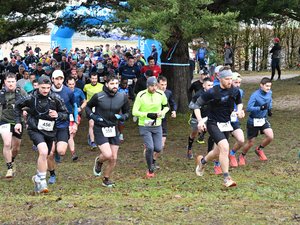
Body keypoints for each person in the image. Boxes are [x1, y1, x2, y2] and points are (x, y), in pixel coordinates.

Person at [190, 66, 244, 187]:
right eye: (227, 79)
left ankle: (202, 161)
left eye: (231, 79)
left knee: (216, 152)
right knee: (225, 147)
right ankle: (227, 178)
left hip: (226, 123)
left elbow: (239, 102)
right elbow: (196, 105)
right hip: (213, 123)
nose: (230, 81)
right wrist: (200, 121)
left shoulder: (235, 90)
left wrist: (240, 110)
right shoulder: (212, 92)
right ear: (220, 79)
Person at [14, 75, 68, 193]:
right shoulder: (30, 97)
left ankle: (38, 178)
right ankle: (43, 181)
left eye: (48, 88)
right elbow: (17, 107)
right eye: (43, 87)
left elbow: (65, 113)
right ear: (37, 86)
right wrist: (18, 122)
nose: (45, 90)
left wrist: (58, 115)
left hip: (49, 130)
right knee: (43, 151)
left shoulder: (55, 98)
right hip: (34, 128)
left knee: (46, 155)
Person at [86, 75, 130, 187]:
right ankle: (99, 161)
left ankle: (106, 179)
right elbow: (88, 107)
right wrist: (94, 117)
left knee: (114, 157)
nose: (115, 86)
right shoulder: (98, 96)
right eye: (112, 83)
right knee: (107, 154)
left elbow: (127, 112)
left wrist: (123, 117)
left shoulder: (122, 96)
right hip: (100, 128)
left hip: (113, 128)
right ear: (106, 84)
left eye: (116, 84)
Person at [132, 77, 169, 178]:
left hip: (157, 125)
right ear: (147, 86)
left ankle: (149, 152)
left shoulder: (161, 94)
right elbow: (134, 111)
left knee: (158, 148)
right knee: (150, 147)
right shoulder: (141, 95)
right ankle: (150, 168)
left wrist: (162, 112)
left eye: (155, 86)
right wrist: (147, 114)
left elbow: (166, 106)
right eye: (151, 86)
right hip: (144, 125)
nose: (154, 88)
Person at [47, 70, 78, 184]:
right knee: (49, 153)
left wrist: (75, 122)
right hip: (49, 126)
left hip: (63, 124)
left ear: (63, 79)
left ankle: (56, 152)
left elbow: (75, 106)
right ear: (52, 79)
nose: (58, 81)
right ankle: (52, 174)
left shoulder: (68, 92)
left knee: (61, 152)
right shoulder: (47, 90)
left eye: (61, 79)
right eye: (56, 79)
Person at [238, 77, 273, 166]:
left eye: (270, 86)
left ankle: (259, 149)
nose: (268, 88)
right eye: (266, 86)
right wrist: (260, 108)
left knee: (270, 136)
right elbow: (249, 108)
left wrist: (269, 109)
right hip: (253, 120)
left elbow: (269, 101)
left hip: (263, 119)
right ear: (261, 85)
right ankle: (242, 156)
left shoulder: (269, 93)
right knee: (250, 142)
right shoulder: (255, 95)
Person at [0, 73, 27, 178]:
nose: (11, 84)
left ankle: (12, 160)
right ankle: (9, 168)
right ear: (5, 82)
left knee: (16, 148)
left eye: (12, 81)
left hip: (17, 121)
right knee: (7, 144)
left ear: (16, 82)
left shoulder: (21, 92)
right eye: (9, 81)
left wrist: (25, 110)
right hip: (4, 120)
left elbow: (29, 104)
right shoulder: (1, 93)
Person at [186, 77, 213, 160]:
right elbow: (191, 105)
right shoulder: (198, 94)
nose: (211, 87)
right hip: (196, 117)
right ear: (203, 85)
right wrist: (199, 106)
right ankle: (189, 148)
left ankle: (210, 153)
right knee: (194, 133)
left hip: (208, 116)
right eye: (208, 85)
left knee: (212, 133)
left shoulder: (213, 93)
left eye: (212, 85)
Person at [66, 76, 87, 161]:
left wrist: (81, 108)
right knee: (70, 134)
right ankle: (73, 153)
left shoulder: (79, 91)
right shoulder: (64, 92)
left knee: (72, 133)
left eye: (73, 84)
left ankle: (64, 143)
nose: (71, 86)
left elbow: (85, 101)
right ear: (67, 84)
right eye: (70, 84)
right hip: (65, 115)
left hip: (76, 114)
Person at [228, 72, 245, 168]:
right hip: (221, 120)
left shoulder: (240, 92)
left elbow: (239, 104)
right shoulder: (222, 91)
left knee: (241, 140)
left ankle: (232, 153)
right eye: (236, 82)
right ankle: (216, 162)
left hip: (233, 120)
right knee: (220, 143)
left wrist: (240, 111)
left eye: (239, 83)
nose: (238, 85)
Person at [83, 72, 103, 149]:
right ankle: (92, 141)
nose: (94, 80)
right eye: (93, 78)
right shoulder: (86, 86)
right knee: (91, 123)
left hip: (99, 107)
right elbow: (84, 95)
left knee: (99, 123)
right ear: (90, 78)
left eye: (95, 78)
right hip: (90, 107)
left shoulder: (102, 86)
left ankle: (97, 137)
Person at [157, 76, 177, 150]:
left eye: (165, 84)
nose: (164, 87)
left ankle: (158, 151)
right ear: (157, 84)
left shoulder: (168, 93)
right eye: (162, 84)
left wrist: (174, 111)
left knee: (163, 135)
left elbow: (172, 103)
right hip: (152, 117)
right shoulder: (153, 92)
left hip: (162, 117)